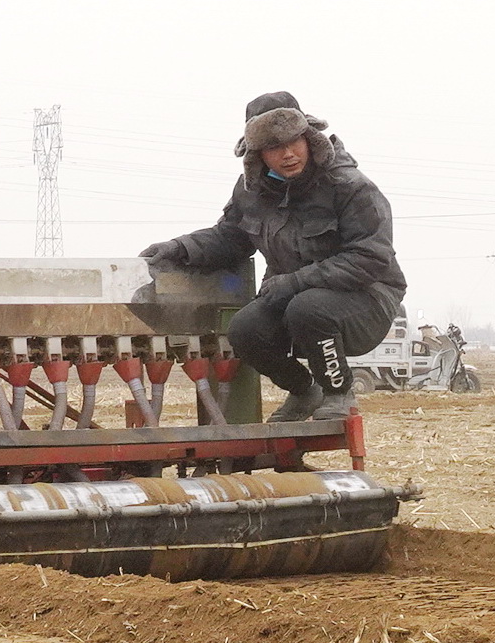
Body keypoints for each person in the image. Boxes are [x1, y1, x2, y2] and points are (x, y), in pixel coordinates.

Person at [144, 92, 405, 422]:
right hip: (292, 295)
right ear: (257, 154)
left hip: (367, 299)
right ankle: (304, 391)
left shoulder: (350, 186)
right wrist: (179, 248)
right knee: (245, 330)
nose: (288, 154)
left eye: (293, 141)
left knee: (308, 307)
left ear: (308, 136)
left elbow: (370, 258)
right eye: (273, 147)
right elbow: (230, 238)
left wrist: (295, 282)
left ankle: (338, 393)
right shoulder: (251, 192)